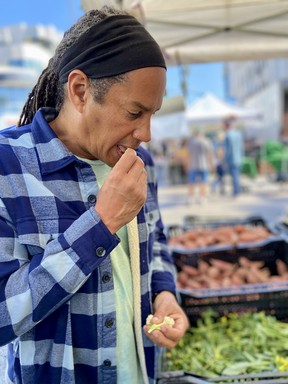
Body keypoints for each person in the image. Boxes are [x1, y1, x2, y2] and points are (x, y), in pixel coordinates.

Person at [0, 6, 189, 384]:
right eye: (135, 112)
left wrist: (165, 295)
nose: (146, 133)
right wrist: (100, 224)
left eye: (153, 114)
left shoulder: (139, 162)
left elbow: (158, 245)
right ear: (80, 90)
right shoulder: (9, 167)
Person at [187, 128, 215, 203]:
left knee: (191, 182)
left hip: (193, 164)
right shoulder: (207, 141)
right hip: (204, 164)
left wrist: (187, 165)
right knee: (204, 182)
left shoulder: (192, 142)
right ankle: (202, 197)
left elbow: (188, 154)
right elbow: (210, 154)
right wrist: (212, 164)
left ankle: (191, 197)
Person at [223, 115, 244, 196]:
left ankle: (236, 192)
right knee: (237, 176)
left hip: (231, 159)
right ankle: (237, 191)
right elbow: (241, 147)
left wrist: (225, 159)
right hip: (239, 158)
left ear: (226, 126)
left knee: (234, 176)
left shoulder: (228, 135)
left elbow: (227, 149)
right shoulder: (238, 134)